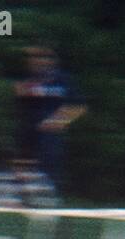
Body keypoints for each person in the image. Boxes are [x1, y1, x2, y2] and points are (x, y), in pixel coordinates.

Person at [14, 46, 86, 193]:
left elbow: (79, 106)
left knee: (48, 177)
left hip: (51, 138)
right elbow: (19, 100)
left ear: (52, 60)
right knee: (23, 174)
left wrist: (57, 121)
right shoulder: (26, 78)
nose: (38, 61)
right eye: (34, 57)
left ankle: (46, 201)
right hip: (27, 134)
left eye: (43, 57)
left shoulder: (63, 79)